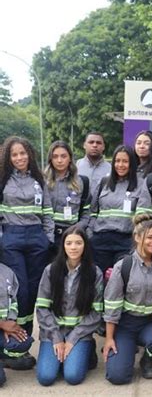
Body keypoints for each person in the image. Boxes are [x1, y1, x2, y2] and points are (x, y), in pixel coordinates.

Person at [103, 213, 152, 384]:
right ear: (137, 238)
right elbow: (112, 306)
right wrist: (109, 338)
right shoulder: (123, 266)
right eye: (149, 237)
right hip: (127, 325)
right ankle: (127, 350)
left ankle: (149, 359)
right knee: (117, 376)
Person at [0, 136, 54, 362]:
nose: (20, 158)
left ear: (29, 154)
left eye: (23, 153)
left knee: (33, 291)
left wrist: (48, 238)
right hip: (11, 238)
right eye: (14, 154)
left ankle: (23, 342)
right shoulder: (2, 180)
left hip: (36, 238)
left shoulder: (38, 180)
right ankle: (14, 341)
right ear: (8, 158)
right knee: (19, 289)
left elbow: (48, 211)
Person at [35, 226, 103, 386]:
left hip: (79, 333)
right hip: (53, 332)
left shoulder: (94, 272)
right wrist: (56, 337)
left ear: (85, 245)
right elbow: (42, 307)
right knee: (46, 377)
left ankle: (85, 350)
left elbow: (95, 313)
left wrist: (72, 339)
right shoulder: (50, 270)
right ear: (63, 246)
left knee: (72, 376)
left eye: (78, 243)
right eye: (69, 243)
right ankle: (62, 358)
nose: (73, 247)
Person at [89, 145, 140, 273]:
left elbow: (141, 216)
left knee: (120, 278)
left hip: (125, 241)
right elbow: (93, 211)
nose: (120, 165)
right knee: (98, 279)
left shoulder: (140, 184)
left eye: (125, 161)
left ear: (132, 163)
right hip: (100, 239)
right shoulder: (104, 182)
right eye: (117, 161)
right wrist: (90, 234)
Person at [44, 140, 91, 259]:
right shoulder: (42, 182)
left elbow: (87, 212)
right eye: (55, 157)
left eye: (63, 156)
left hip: (72, 237)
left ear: (70, 158)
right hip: (49, 236)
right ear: (50, 159)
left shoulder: (82, 182)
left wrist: (77, 228)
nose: (59, 160)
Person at [0, 262, 34, 386]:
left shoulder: (7, 272)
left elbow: (13, 301)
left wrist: (11, 321)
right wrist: (2, 324)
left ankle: (3, 356)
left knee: (24, 342)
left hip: (3, 327)